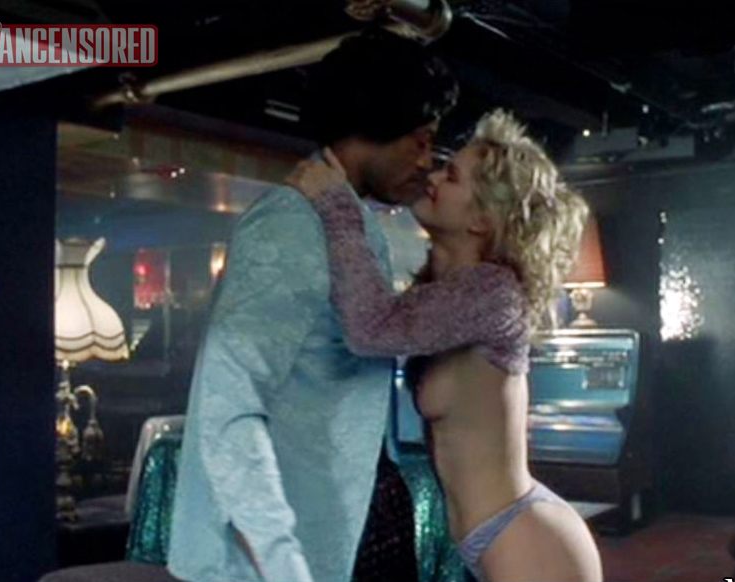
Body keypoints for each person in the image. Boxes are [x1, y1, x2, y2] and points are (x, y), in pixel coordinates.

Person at [167, 29, 458, 582]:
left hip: (348, 514)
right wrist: (277, 562)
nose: (427, 161)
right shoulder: (290, 223)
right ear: (372, 126)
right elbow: (229, 407)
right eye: (420, 140)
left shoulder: (349, 220)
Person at [287, 109, 603, 582]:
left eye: (451, 176)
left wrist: (335, 203)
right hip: (490, 534)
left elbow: (370, 328)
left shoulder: (493, 292)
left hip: (523, 535)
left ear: (482, 218)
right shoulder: (449, 291)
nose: (432, 177)